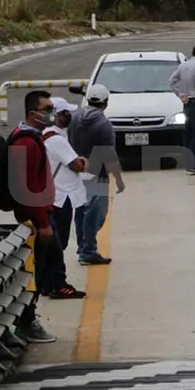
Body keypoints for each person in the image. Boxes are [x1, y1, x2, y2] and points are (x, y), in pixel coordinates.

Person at [6, 90, 59, 343]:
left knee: (37, 271)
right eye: (47, 109)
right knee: (32, 274)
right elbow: (25, 188)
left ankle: (27, 320)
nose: (51, 113)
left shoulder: (31, 138)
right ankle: (27, 323)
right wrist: (43, 223)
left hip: (37, 218)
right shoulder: (25, 142)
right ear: (32, 113)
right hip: (33, 221)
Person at [68, 84, 125, 265]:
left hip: (76, 172)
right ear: (105, 102)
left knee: (81, 212)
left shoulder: (74, 117)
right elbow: (110, 154)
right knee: (97, 214)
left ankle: (83, 247)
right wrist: (118, 179)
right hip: (97, 174)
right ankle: (88, 251)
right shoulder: (104, 124)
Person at [39, 97, 87, 300]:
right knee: (59, 245)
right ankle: (58, 284)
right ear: (57, 116)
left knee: (53, 244)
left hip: (55, 196)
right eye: (66, 112)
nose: (69, 116)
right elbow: (77, 165)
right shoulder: (57, 140)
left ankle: (47, 283)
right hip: (61, 198)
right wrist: (83, 161)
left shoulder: (47, 135)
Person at [170, 46, 195, 175]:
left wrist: (181, 94)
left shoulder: (183, 66)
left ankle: (189, 164)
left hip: (187, 103)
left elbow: (172, 81)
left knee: (189, 134)